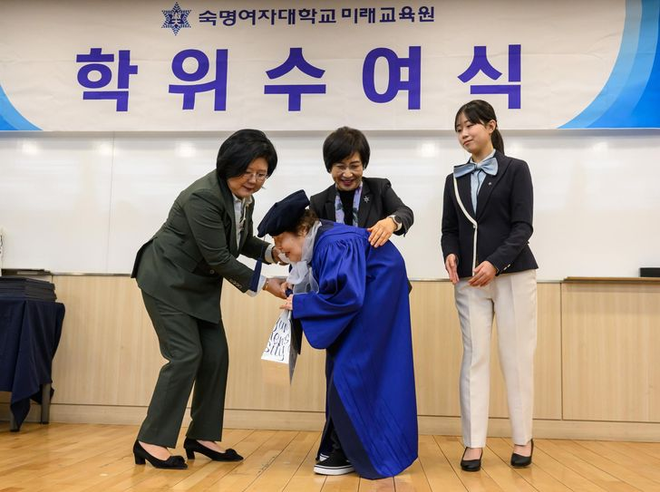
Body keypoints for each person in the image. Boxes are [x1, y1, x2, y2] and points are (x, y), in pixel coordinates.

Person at [130, 129, 286, 469]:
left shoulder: (244, 199)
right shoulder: (203, 196)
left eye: (261, 174)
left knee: (216, 356)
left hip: (198, 286)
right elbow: (219, 256)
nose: (254, 180)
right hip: (166, 280)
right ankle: (150, 440)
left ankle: (202, 436)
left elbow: (240, 241)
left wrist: (274, 253)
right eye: (247, 171)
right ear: (228, 164)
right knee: (186, 356)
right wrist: (265, 284)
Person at [257, 190, 418, 479]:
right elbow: (335, 286)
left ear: (302, 230)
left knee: (350, 370)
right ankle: (343, 445)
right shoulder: (321, 241)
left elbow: (346, 295)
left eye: (281, 241)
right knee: (339, 367)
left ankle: (363, 450)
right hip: (370, 293)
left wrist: (302, 304)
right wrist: (300, 292)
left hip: (377, 295)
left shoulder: (333, 244)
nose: (279, 250)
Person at [441, 100, 538, 472]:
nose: (464, 133)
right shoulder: (453, 179)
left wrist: (496, 262)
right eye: (459, 129)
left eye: (470, 125)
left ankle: (522, 438)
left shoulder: (516, 169)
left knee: (516, 357)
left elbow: (523, 227)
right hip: (469, 281)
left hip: (513, 275)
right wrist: (450, 253)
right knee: (474, 358)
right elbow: (449, 229)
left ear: (491, 126)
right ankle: (473, 443)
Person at [310, 126, 414, 248]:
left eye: (354, 166)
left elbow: (405, 212)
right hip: (334, 260)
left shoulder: (379, 188)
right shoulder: (318, 202)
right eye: (340, 167)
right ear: (329, 167)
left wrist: (392, 222)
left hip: (372, 259)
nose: (347, 174)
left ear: (363, 164)